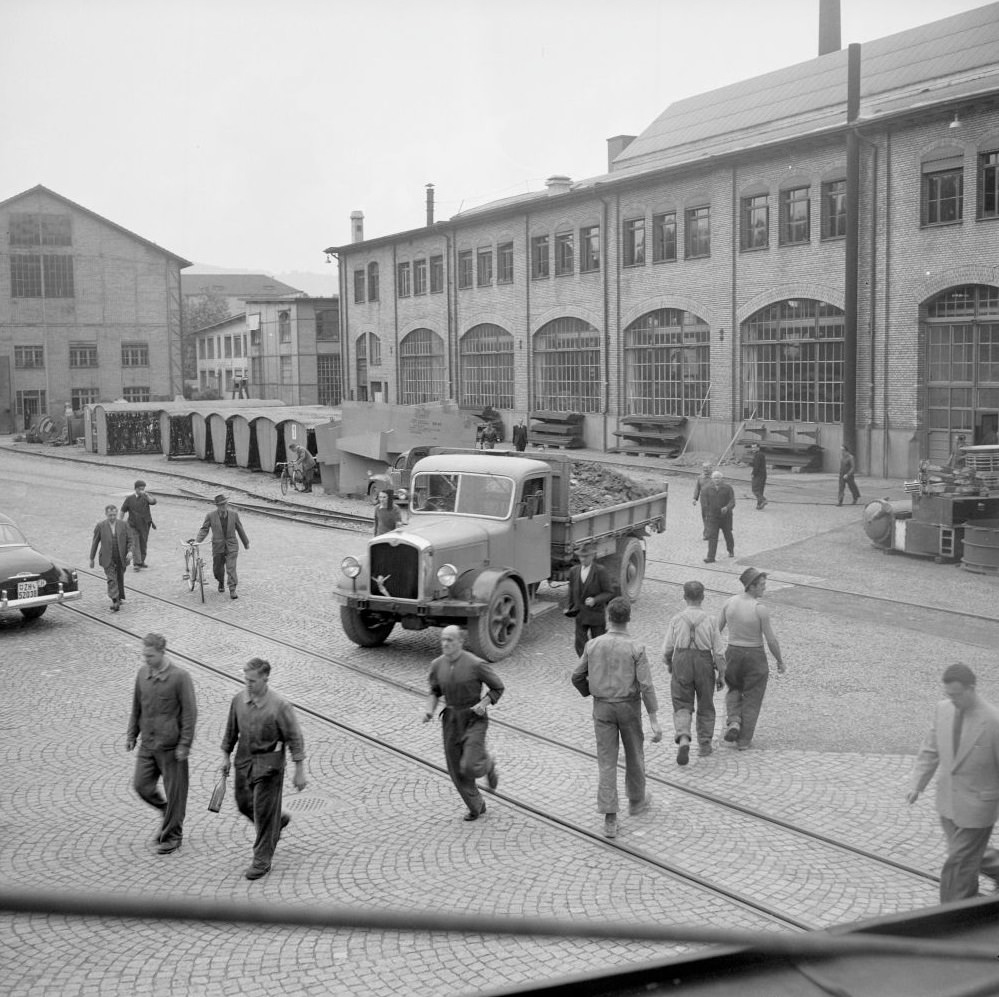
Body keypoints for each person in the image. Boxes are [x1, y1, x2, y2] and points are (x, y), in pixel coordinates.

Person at [907, 663, 999, 903]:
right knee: (968, 858)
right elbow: (931, 748)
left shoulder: (994, 721)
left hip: (979, 808)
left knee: (958, 862)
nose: (953, 700)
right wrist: (917, 784)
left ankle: (952, 911)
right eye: (949, 694)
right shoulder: (943, 709)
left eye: (957, 695)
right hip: (947, 802)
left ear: (972, 689)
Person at [571, 597, 662, 839]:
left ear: (607, 617)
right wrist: (653, 718)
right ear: (629, 619)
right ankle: (636, 800)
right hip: (629, 708)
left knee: (607, 761)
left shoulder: (592, 645)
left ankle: (610, 818)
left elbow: (576, 676)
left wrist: (592, 692)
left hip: (602, 709)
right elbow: (646, 685)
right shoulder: (636, 648)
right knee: (634, 754)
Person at [220, 657, 307, 880]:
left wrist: (299, 770)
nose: (248, 684)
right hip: (244, 763)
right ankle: (276, 823)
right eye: (245, 679)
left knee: (263, 811)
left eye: (252, 680)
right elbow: (231, 731)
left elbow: (294, 737)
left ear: (265, 679)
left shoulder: (279, 706)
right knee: (243, 804)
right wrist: (225, 756)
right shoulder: (238, 700)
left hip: (269, 767)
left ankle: (261, 860)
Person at [423, 626, 504, 822]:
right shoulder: (437, 665)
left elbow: (497, 687)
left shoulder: (476, 664)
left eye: (450, 640)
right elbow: (434, 691)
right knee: (455, 769)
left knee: (468, 765)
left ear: (460, 642)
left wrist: (483, 704)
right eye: (443, 639)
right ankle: (476, 806)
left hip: (474, 718)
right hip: (451, 719)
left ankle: (488, 764)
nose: (445, 644)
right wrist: (429, 710)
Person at [126, 633, 197, 855]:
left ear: (162, 652)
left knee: (176, 794)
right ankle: (166, 811)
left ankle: (172, 835)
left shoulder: (180, 677)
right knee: (141, 785)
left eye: (150, 655)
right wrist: (131, 734)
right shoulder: (142, 675)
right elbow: (137, 706)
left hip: (172, 748)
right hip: (148, 744)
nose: (146, 659)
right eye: (144, 655)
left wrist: (184, 744)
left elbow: (190, 713)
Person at [717, 567, 785, 750]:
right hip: (754, 655)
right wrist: (779, 660)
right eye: (762, 585)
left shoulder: (729, 603)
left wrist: (715, 656)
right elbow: (771, 639)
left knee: (733, 689)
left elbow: (716, 632)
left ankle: (734, 721)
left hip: (732, 652)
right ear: (752, 586)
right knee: (753, 696)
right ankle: (744, 741)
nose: (765, 588)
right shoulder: (760, 609)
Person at [662, 581, 727, 764]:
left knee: (682, 702)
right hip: (704, 662)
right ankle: (705, 744)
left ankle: (683, 736)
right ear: (703, 597)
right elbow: (719, 652)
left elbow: (667, 649)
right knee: (706, 703)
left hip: (681, 661)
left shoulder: (676, 620)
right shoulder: (711, 620)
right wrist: (721, 674)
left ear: (684, 597)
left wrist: (669, 664)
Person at [564, 543, 616, 657]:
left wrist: (595, 600)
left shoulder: (600, 571)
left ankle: (597, 666)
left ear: (592, 556)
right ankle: (585, 666)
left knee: (598, 645)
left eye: (585, 556)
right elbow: (571, 591)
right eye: (581, 556)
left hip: (596, 616)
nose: (582, 559)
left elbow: (609, 592)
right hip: (580, 615)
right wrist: (570, 607)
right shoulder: (574, 571)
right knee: (579, 644)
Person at [195, 494, 250, 600]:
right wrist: (197, 541)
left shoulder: (234, 515)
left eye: (225, 504)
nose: (223, 506)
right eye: (221, 505)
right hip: (218, 546)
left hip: (231, 546)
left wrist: (246, 543)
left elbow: (240, 529)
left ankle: (232, 589)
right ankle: (220, 581)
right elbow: (204, 529)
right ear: (217, 506)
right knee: (217, 569)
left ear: (227, 504)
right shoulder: (210, 516)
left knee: (231, 567)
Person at [90, 503, 132, 611]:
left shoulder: (123, 524)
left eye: (114, 515)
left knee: (119, 577)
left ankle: (119, 597)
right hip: (107, 557)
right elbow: (95, 542)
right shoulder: (100, 526)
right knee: (111, 579)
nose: (112, 517)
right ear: (106, 514)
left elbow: (130, 540)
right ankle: (115, 601)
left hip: (121, 556)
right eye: (110, 515)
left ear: (116, 513)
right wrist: (92, 558)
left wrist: (130, 551)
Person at [120, 479, 157, 568]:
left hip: (145, 524)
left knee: (143, 543)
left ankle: (142, 561)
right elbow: (122, 510)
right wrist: (120, 522)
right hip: (132, 525)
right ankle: (137, 563)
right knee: (135, 543)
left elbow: (153, 502)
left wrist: (147, 495)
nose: (142, 490)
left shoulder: (146, 497)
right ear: (136, 489)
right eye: (140, 489)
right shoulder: (129, 499)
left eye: (143, 489)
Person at [703, 470, 735, 563]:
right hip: (713, 517)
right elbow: (704, 504)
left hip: (726, 516)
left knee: (727, 534)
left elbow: (732, 501)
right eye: (715, 478)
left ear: (722, 479)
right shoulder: (706, 489)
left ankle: (731, 550)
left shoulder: (728, 488)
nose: (716, 480)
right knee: (712, 536)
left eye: (718, 478)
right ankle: (711, 557)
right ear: (712, 479)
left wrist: (727, 507)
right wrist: (707, 515)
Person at [692, 461, 714, 538]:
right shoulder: (700, 478)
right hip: (704, 500)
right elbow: (697, 489)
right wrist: (695, 498)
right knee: (705, 516)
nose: (705, 470)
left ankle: (710, 533)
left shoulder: (715, 478)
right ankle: (707, 534)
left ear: (711, 468)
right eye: (704, 468)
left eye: (707, 468)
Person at [750, 445, 768, 510]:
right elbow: (757, 464)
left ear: (758, 448)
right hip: (763, 474)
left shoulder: (757, 455)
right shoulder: (760, 454)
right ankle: (759, 505)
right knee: (760, 490)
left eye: (755, 447)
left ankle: (763, 500)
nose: (753, 449)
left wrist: (753, 474)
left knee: (755, 489)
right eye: (752, 447)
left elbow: (756, 466)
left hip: (758, 475)